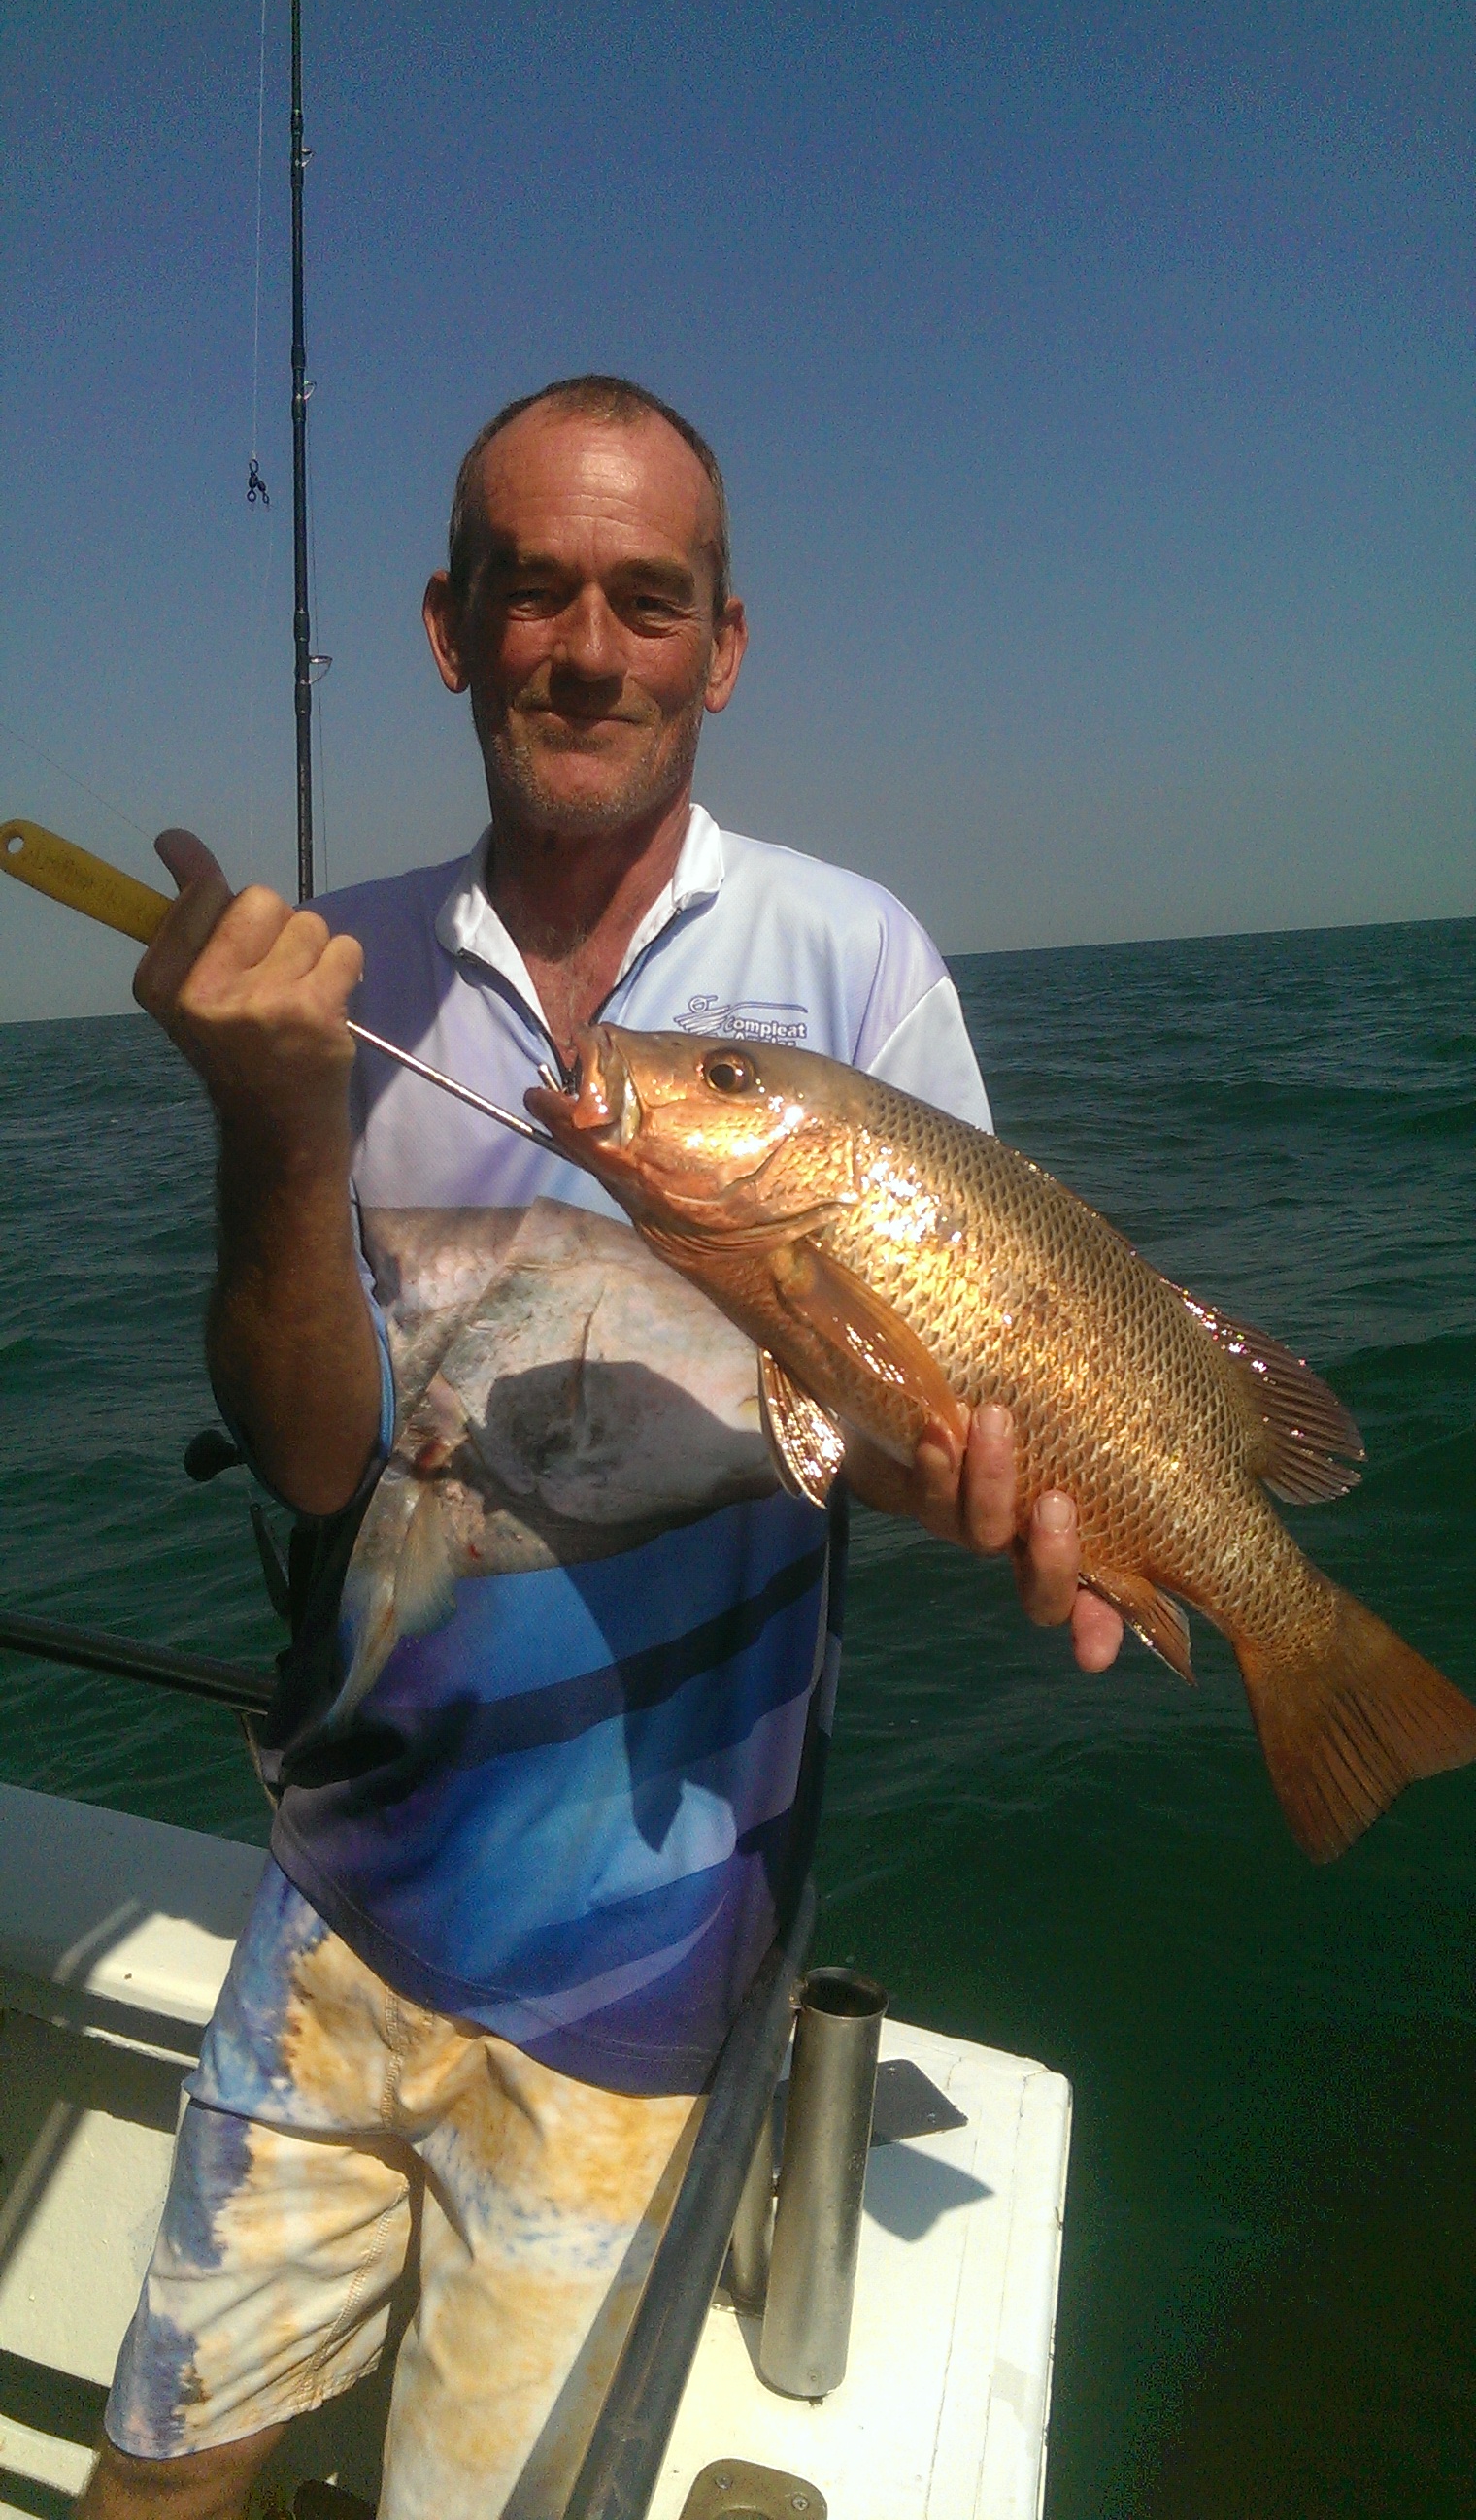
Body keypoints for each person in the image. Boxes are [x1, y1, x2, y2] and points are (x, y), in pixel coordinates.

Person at [82, 375, 1123, 2520]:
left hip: (646, 1972)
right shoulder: (341, 973)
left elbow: (956, 1387)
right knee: (156, 2476)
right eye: (531, 588)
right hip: (336, 1895)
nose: (588, 647)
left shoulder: (852, 961)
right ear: (448, 626)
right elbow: (310, 1461)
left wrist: (988, 1487)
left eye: (649, 599)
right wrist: (273, 1120)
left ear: (722, 649)